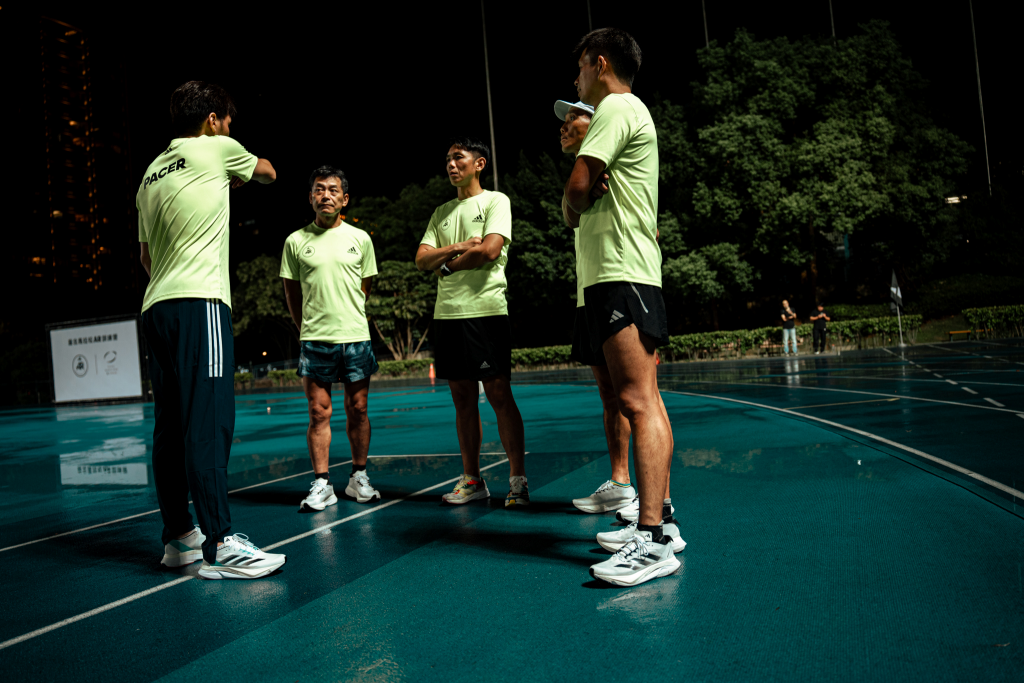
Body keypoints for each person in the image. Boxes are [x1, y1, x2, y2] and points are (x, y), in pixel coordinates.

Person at [138, 81, 285, 580]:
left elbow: (146, 257)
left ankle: (179, 537)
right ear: (212, 120)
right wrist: (235, 171)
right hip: (200, 300)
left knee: (169, 427)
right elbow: (268, 172)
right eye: (227, 122)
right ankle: (221, 544)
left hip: (156, 306)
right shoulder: (217, 148)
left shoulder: (149, 174)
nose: (228, 129)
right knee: (209, 419)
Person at [563, 29, 682, 586]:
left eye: (579, 69)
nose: (576, 81)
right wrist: (578, 198)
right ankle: (662, 524)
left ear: (600, 62)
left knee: (638, 401)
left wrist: (578, 196)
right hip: (614, 275)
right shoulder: (626, 111)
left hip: (623, 273)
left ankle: (653, 541)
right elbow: (577, 200)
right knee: (638, 399)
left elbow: (576, 190)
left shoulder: (616, 106)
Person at [415, 138, 529, 507]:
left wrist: (446, 265)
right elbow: (421, 259)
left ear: (479, 163)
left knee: (498, 394)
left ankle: (517, 481)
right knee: (462, 399)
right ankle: (472, 479)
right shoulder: (441, 212)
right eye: (447, 159)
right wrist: (458, 246)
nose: (451, 165)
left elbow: (490, 250)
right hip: (447, 314)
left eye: (458, 158)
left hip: (486, 311)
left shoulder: (496, 201)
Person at [281, 166, 380, 512]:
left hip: (355, 336)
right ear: (311, 198)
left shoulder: (360, 239)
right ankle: (322, 484)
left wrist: (347, 315)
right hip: (315, 339)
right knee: (318, 412)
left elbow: (365, 287)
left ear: (345, 198)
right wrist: (306, 327)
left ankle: (358, 477)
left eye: (333, 190)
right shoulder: (295, 241)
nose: (326, 195)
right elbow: (292, 293)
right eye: (320, 189)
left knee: (359, 408)